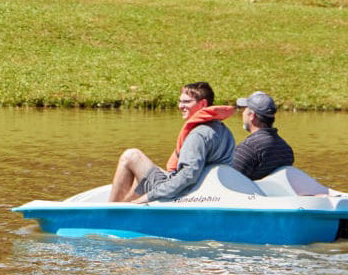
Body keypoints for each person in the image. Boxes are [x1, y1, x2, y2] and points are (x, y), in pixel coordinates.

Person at [108, 81, 236, 203]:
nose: (180, 106)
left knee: (131, 156)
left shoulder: (198, 135)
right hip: (202, 187)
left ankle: (109, 212)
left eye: (186, 102)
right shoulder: (223, 130)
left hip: (185, 192)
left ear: (202, 104)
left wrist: (150, 196)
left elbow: (188, 176)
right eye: (180, 101)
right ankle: (128, 207)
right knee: (141, 177)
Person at [232, 91, 295, 180]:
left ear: (252, 116)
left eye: (245, 109)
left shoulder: (248, 148)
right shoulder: (286, 149)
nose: (242, 113)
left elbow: (231, 181)